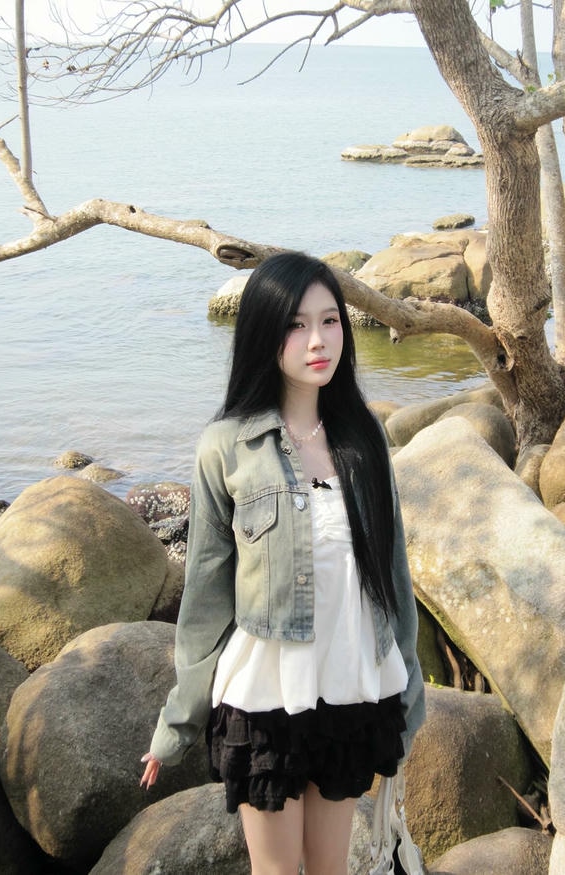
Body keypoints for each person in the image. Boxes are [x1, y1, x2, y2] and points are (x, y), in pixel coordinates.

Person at [140, 251, 425, 874]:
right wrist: (178, 722)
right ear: (264, 334)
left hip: (350, 687)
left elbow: (392, 577)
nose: (318, 340)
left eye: (329, 321)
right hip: (265, 696)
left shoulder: (364, 438)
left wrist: (410, 688)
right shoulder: (227, 446)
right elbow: (206, 596)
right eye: (296, 324)